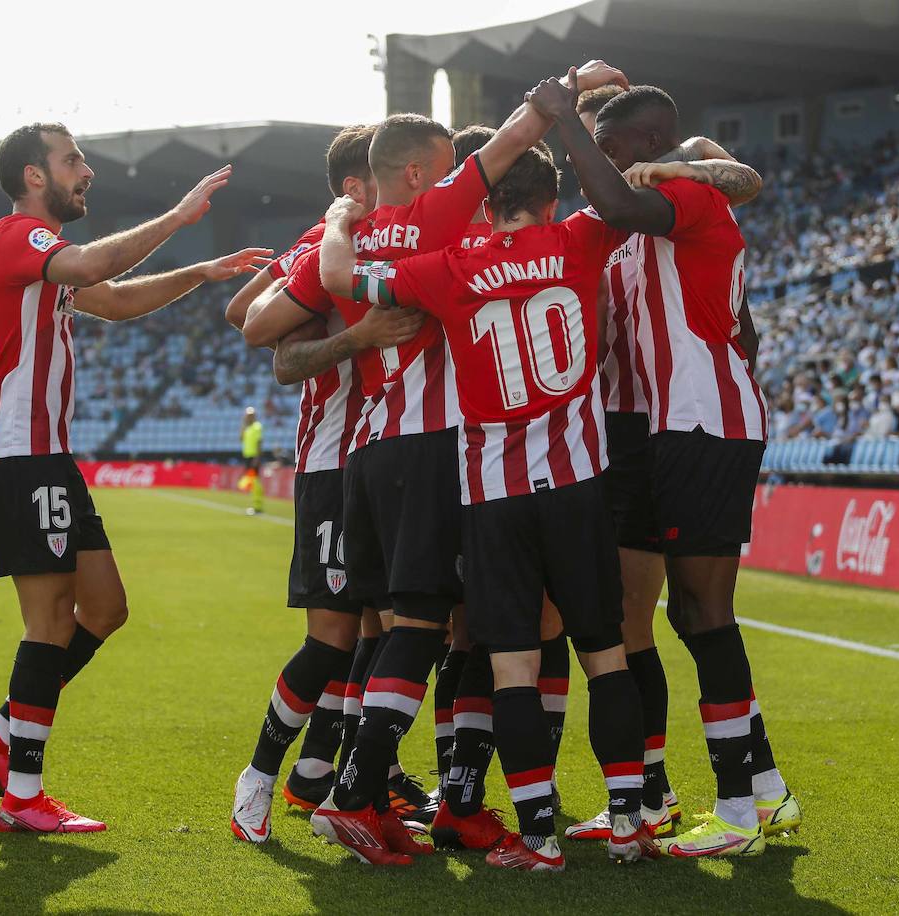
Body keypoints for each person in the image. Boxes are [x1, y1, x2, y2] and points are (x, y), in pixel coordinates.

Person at [248, 61, 631, 867]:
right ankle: (372, 792)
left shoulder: (351, 241)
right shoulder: (447, 223)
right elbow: (526, 141)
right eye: (448, 165)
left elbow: (268, 321)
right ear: (422, 172)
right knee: (460, 630)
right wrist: (572, 87)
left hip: (367, 450)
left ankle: (400, 793)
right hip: (449, 452)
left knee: (401, 626)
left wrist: (338, 224)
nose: (465, 174)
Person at [318, 143, 657, 871]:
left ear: (486, 201)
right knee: (605, 654)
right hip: (578, 483)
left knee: (510, 668)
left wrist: (339, 218)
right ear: (551, 201)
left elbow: (340, 275)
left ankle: (538, 840)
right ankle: (629, 821)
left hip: (494, 494)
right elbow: (627, 199)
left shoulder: (449, 267)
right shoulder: (579, 237)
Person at [0, 122, 269, 832]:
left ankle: (4, 737)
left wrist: (198, 271)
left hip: (45, 457)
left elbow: (118, 300)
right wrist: (182, 216)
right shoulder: (17, 239)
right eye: (72, 160)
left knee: (104, 610)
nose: (85, 170)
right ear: (34, 177)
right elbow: (95, 268)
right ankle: (22, 795)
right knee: (49, 622)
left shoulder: (45, 260)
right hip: (16, 454)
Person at [532, 74, 798, 857]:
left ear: (645, 147)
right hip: (652, 432)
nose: (600, 165)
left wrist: (560, 122)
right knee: (647, 618)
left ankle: (740, 812)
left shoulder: (688, 199)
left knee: (700, 613)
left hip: (702, 424)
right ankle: (735, 794)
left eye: (610, 149)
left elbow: (636, 200)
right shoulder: (637, 229)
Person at [227, 125, 434, 845]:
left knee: (387, 633)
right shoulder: (330, 245)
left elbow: (239, 312)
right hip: (331, 465)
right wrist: (353, 335)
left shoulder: (393, 241)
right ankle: (258, 780)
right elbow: (262, 338)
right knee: (333, 641)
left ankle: (337, 777)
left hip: (388, 462)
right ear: (358, 186)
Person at [238, 407, 265, 515]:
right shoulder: (247, 428)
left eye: (249, 415)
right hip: (248, 457)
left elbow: (259, 442)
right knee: (252, 481)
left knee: (255, 481)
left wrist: (257, 458)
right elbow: (241, 438)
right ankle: (255, 505)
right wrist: (243, 425)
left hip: (253, 457)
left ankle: (258, 506)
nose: (247, 417)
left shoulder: (256, 427)